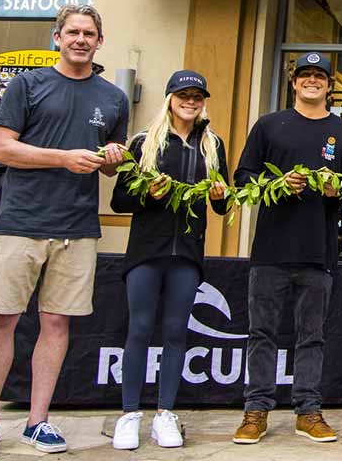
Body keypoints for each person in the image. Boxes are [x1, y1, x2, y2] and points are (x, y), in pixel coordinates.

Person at [0, 5, 129, 458]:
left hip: (77, 227)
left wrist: (113, 158)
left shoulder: (113, 98)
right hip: (22, 221)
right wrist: (63, 157)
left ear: (99, 42)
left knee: (57, 324)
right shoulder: (28, 84)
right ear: (57, 37)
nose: (81, 39)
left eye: (89, 33)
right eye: (73, 32)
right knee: (2, 319)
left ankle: (39, 422)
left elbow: (111, 168)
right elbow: (1, 148)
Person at [230, 52, 342, 445]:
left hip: (318, 252)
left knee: (312, 335)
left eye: (319, 76)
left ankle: (308, 410)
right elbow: (243, 177)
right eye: (304, 75)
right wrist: (275, 185)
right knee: (261, 333)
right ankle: (255, 411)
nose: (311, 81)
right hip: (270, 250)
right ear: (293, 82)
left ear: (328, 85)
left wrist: (336, 188)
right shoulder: (269, 125)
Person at [108, 70, 228, 450]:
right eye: (183, 95)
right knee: (140, 329)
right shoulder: (144, 142)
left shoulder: (213, 145)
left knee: (177, 332)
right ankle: (129, 415)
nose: (190, 102)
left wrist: (222, 192)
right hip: (147, 251)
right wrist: (150, 196)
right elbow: (119, 201)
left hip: (187, 254)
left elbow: (221, 205)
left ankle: (165, 414)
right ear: (170, 98)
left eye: (197, 96)